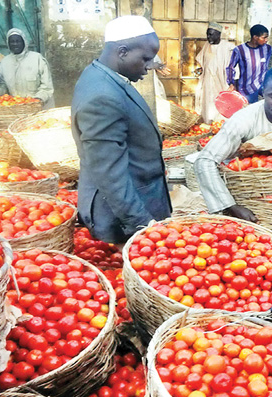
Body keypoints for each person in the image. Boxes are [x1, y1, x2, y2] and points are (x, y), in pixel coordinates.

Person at [71, 15, 171, 244]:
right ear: (123, 52)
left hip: (136, 202)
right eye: (146, 58)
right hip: (121, 218)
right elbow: (110, 173)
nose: (150, 65)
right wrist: (143, 225)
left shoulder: (102, 76)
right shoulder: (102, 96)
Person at [195, 66, 272, 223]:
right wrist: (231, 205)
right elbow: (205, 161)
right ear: (263, 92)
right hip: (249, 194)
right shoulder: (242, 121)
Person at [0, 28, 54, 108]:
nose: (15, 44)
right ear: (8, 44)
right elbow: (3, 85)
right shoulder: (5, 62)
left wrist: (38, 99)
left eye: (18, 41)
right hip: (16, 110)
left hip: (39, 108)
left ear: (24, 42)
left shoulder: (37, 59)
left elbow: (47, 87)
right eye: (12, 42)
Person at [195, 22, 235, 122]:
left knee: (222, 105)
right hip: (208, 82)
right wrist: (200, 69)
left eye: (211, 34)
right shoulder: (206, 46)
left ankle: (220, 127)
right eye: (207, 34)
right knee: (208, 105)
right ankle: (207, 125)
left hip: (222, 82)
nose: (208, 37)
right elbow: (203, 62)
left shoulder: (228, 47)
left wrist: (233, 83)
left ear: (219, 34)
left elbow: (235, 67)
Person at [226, 25, 272, 104]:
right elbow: (230, 67)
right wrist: (231, 83)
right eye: (264, 37)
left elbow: (266, 66)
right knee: (249, 111)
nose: (266, 40)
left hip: (262, 86)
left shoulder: (267, 49)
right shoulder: (239, 50)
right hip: (246, 88)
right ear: (255, 37)